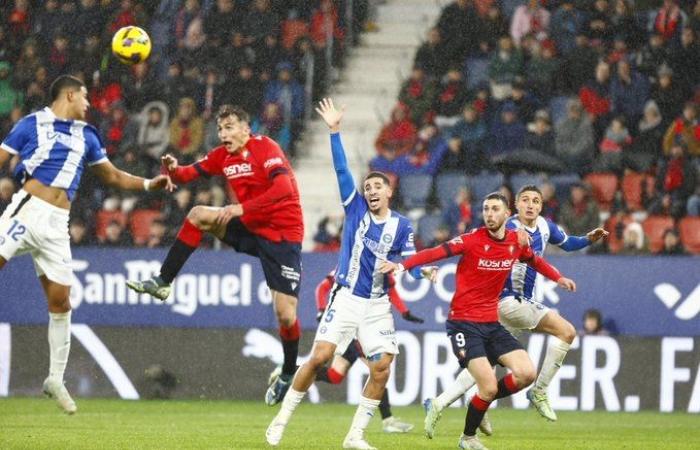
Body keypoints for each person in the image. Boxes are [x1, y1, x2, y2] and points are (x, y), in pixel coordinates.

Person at [266, 98, 436, 449]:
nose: (372, 191)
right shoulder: (355, 208)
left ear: (389, 192)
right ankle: (281, 419)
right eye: (368, 187)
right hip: (345, 298)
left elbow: (409, 263)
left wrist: (422, 272)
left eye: (378, 187)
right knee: (320, 358)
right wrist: (334, 132)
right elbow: (342, 170)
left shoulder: (402, 226)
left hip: (376, 305)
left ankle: (355, 436)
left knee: (382, 368)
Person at [0, 75, 173, 414]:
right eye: (84, 97)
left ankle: (54, 378)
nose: (89, 103)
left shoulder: (88, 135)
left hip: (57, 226)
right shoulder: (31, 123)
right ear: (68, 94)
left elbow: (112, 176)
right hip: (26, 211)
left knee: (61, 302)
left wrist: (150, 184)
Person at [125, 104, 304, 407]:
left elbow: (284, 188)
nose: (224, 134)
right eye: (221, 128)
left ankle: (288, 371)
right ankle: (163, 280)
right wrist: (171, 168)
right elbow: (186, 175)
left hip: (282, 235)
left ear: (247, 129)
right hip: (250, 228)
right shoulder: (222, 155)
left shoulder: (266, 147)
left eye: (230, 127)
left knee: (285, 314)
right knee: (198, 215)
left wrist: (240, 208)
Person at [380, 192, 576, 450]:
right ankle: (468, 438)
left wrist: (558, 277)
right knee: (488, 386)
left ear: (508, 215)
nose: (490, 214)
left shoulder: (516, 242)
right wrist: (402, 266)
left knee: (526, 374)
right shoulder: (472, 240)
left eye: (495, 209)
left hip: (491, 324)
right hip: (463, 323)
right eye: (486, 209)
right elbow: (435, 252)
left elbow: (534, 261)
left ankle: (475, 403)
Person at [423, 185, 608, 437]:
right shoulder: (506, 227)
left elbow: (567, 244)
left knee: (486, 365)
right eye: (525, 200)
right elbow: (484, 239)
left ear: (541, 206)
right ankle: (539, 391)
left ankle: (441, 402)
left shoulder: (546, 226)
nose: (530, 205)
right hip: (509, 301)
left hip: (501, 309)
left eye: (535, 201)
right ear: (515, 206)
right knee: (566, 331)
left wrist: (588, 238)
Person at [312, 269, 423, 434]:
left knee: (335, 376)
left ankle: (290, 370)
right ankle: (388, 421)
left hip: (363, 329)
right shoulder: (348, 265)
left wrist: (404, 312)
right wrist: (322, 309)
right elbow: (322, 288)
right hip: (353, 329)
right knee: (378, 370)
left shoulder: (382, 268)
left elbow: (391, 290)